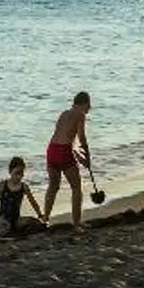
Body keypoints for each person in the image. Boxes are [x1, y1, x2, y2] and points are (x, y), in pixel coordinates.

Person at [42, 92, 92, 230]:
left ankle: (45, 219)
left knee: (53, 187)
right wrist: (87, 154)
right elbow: (81, 138)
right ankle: (76, 224)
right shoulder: (80, 115)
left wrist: (81, 159)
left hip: (52, 150)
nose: (90, 107)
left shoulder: (64, 114)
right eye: (89, 104)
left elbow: (66, 140)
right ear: (83, 104)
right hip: (63, 152)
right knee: (76, 187)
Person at [0, 157, 45, 236]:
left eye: (21, 173)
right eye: (17, 173)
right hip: (3, 219)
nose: (19, 177)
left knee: (35, 223)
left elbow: (33, 203)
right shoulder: (2, 185)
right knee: (5, 229)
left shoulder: (24, 187)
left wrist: (40, 215)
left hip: (16, 219)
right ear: (10, 171)